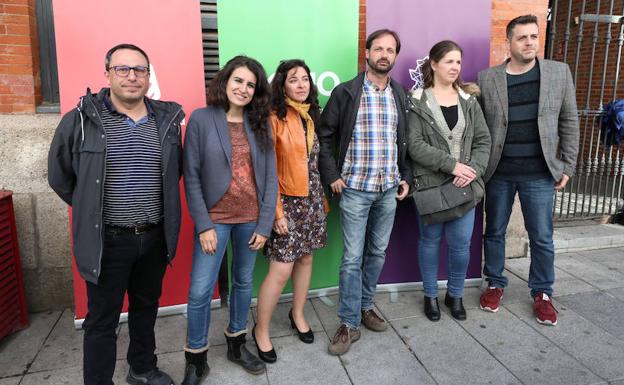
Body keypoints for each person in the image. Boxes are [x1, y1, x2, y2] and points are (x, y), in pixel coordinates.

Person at [48, 43, 184, 385]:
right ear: (107, 73)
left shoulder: (166, 121)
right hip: (107, 241)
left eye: (139, 69)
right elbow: (60, 176)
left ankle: (141, 368)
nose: (132, 76)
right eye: (123, 69)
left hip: (153, 236)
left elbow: (173, 173)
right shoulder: (81, 120)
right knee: (101, 321)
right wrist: (91, 210)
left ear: (148, 76)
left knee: (146, 308)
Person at [477, 15, 579, 326]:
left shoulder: (558, 73)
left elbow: (569, 121)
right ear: (508, 42)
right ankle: (495, 282)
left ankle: (542, 292)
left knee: (542, 237)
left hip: (539, 172)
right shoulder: (488, 78)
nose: (530, 42)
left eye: (534, 36)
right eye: (522, 37)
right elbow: (480, 128)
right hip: (499, 172)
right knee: (494, 232)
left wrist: (568, 164)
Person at [181, 55, 277, 385]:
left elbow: (270, 178)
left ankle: (237, 343)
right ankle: (196, 358)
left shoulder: (260, 122)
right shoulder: (202, 119)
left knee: (243, 283)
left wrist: (265, 225)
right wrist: (204, 224)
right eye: (238, 80)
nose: (244, 88)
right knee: (199, 291)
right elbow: (191, 176)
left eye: (251, 84)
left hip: (251, 219)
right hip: (215, 220)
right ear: (225, 81)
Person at [318, 29, 412, 355]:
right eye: (379, 48)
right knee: (352, 258)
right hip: (355, 189)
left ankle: (366, 305)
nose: (384, 54)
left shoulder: (401, 94)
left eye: (390, 49)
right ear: (368, 52)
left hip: (388, 189)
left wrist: (406, 176)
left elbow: (406, 142)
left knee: (377, 254)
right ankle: (347, 323)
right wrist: (331, 175)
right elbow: (325, 136)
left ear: (395, 56)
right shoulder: (346, 92)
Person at [407, 40, 491, 322]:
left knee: (460, 244)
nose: (455, 67)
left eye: (458, 62)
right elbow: (414, 145)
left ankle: (454, 294)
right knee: (429, 242)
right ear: (433, 64)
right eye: (449, 62)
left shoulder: (469, 101)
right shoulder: (417, 100)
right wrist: (453, 165)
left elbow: (483, 141)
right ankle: (430, 295)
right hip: (430, 186)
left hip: (465, 187)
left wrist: (472, 170)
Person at [253, 59, 329, 363]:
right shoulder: (274, 117)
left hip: (311, 201)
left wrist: (321, 198)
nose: (301, 85)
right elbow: (267, 169)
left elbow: (312, 165)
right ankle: (261, 330)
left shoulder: (311, 116)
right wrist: (276, 213)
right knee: (281, 267)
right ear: (282, 85)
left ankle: (297, 314)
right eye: (294, 80)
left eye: (305, 79)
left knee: (306, 258)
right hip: (286, 202)